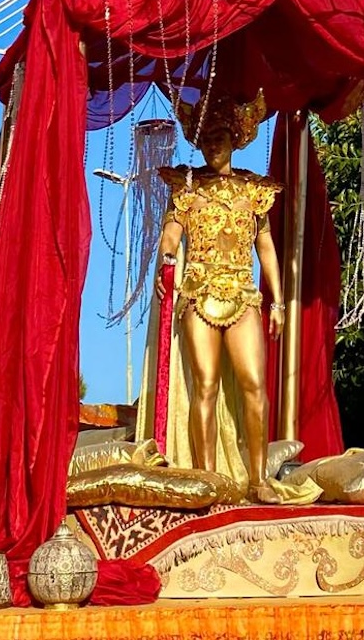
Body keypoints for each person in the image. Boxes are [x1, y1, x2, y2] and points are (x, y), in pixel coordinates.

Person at [154, 91, 285, 500]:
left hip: (244, 297)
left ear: (233, 141)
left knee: (253, 384)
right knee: (205, 385)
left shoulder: (253, 190)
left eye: (220, 138)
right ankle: (206, 477)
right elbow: (171, 234)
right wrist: (167, 258)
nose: (213, 146)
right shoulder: (188, 188)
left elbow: (265, 248)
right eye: (207, 139)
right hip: (199, 292)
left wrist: (277, 301)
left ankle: (259, 478)